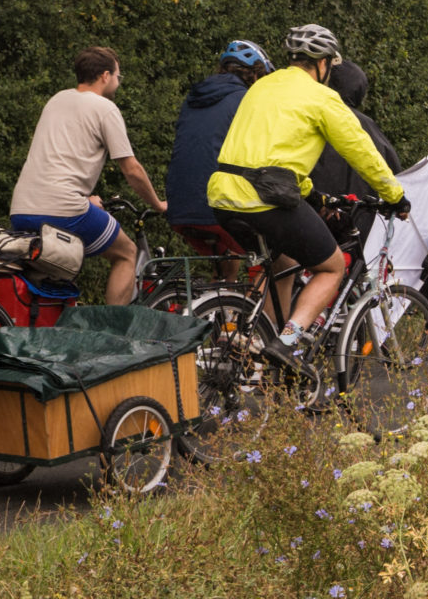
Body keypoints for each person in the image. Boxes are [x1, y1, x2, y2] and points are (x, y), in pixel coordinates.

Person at [207, 23, 409, 363]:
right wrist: (396, 196)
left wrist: (311, 194)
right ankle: (286, 342)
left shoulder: (261, 87)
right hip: (264, 199)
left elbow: (266, 151)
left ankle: (254, 340)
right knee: (331, 268)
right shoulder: (322, 97)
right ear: (324, 63)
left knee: (284, 263)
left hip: (222, 195)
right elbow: (363, 152)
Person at [8, 46, 166, 305]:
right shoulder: (104, 108)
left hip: (22, 208)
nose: (118, 82)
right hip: (63, 209)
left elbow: (59, 162)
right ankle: (113, 337)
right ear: (105, 75)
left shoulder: (56, 100)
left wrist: (86, 200)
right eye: (118, 76)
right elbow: (132, 169)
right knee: (126, 254)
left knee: (52, 273)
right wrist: (157, 204)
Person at [165, 40, 271, 245]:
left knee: (226, 262)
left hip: (179, 209)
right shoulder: (247, 100)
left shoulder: (192, 99)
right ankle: (262, 278)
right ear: (256, 74)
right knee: (280, 258)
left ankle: (220, 278)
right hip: (220, 208)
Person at [309, 59, 403, 205]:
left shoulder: (313, 116)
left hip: (316, 210)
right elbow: (395, 170)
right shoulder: (370, 127)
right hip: (363, 218)